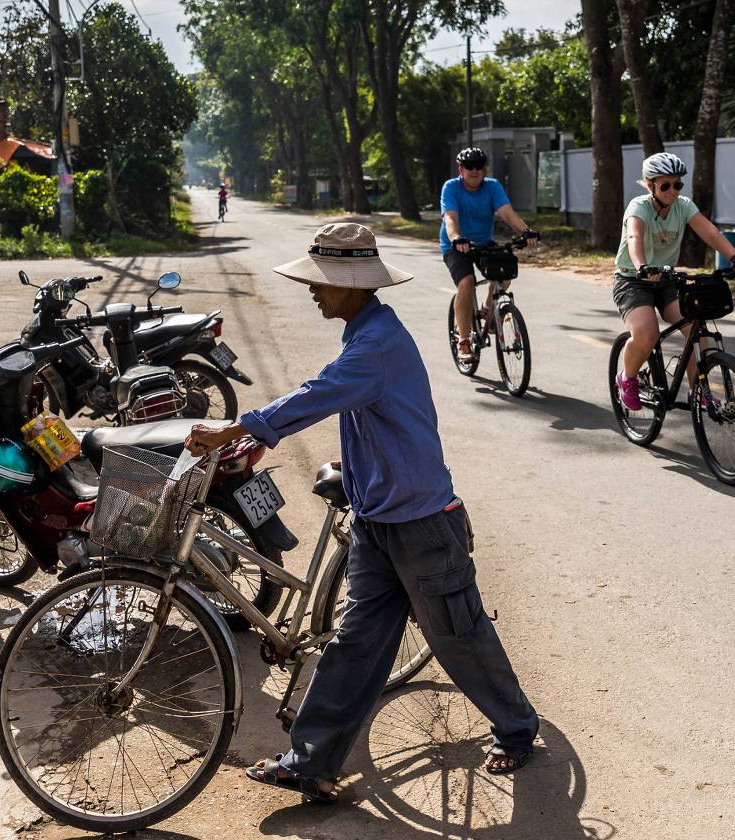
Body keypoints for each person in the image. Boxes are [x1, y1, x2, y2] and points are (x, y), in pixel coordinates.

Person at [183, 222, 539, 802]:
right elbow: (346, 405)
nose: (313, 291)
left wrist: (239, 426)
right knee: (354, 644)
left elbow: (318, 393)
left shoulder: (376, 344)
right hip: (376, 519)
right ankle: (312, 761)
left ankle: (518, 727)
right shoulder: (363, 331)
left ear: (353, 285)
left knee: (458, 637)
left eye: (322, 282)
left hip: (422, 521)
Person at [611, 151, 735, 412]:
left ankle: (698, 391)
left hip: (665, 279)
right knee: (646, 333)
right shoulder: (638, 207)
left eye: (678, 184)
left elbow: (708, 230)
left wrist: (734, 256)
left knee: (696, 328)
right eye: (666, 185)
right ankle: (626, 378)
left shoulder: (683, 206)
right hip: (633, 279)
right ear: (650, 185)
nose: (673, 191)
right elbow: (634, 237)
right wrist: (641, 266)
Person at [441, 147, 537, 363]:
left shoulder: (492, 187)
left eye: (479, 166)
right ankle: (464, 340)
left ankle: (488, 309)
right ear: (461, 169)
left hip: (483, 242)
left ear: (484, 169)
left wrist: (526, 232)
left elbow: (507, 214)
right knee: (466, 282)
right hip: (456, 245)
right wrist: (456, 238)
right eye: (469, 166)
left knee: (505, 272)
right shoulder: (451, 187)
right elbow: (450, 218)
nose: (474, 171)